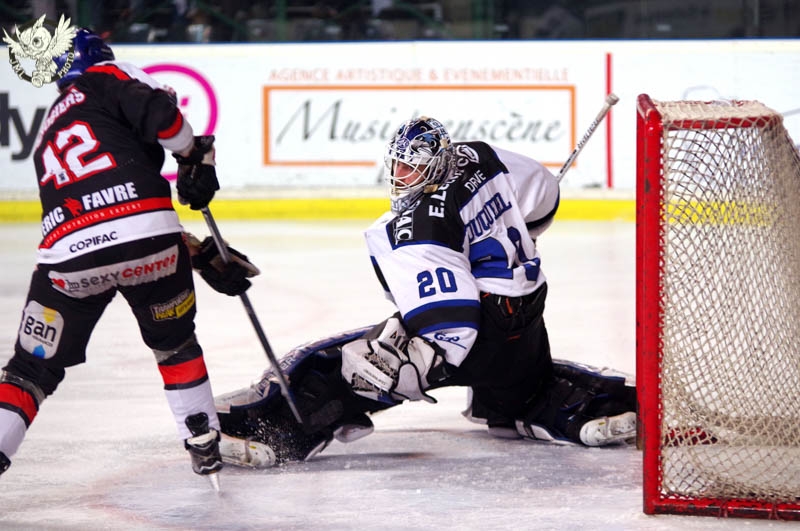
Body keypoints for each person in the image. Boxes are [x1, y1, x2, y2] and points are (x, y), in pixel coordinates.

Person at [213, 116, 637, 464]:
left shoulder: (415, 228)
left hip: (477, 328)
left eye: (411, 168)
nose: (400, 176)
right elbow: (544, 195)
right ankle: (566, 406)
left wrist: (407, 369)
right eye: (397, 165)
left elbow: (450, 322)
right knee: (525, 385)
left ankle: (273, 425)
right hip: (525, 315)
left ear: (435, 165)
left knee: (341, 361)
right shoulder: (480, 156)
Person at [0, 28, 259, 480]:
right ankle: (203, 444)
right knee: (174, 343)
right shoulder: (106, 77)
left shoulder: (46, 131)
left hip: (66, 262)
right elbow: (164, 119)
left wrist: (196, 251)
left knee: (27, 372)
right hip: (151, 247)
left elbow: (101, 221)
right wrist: (192, 156)